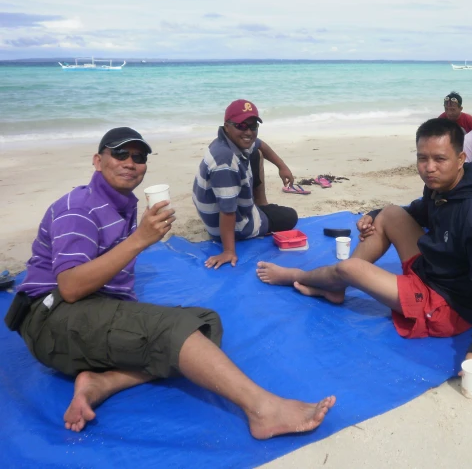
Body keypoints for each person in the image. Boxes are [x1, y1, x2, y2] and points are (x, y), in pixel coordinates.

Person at [9, 127, 334, 437]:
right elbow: (70, 287)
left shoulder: (119, 206)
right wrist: (140, 239)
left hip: (86, 313)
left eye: (139, 157)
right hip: (53, 317)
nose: (130, 162)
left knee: (205, 323)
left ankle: (103, 383)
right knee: (172, 329)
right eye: (120, 153)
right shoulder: (78, 207)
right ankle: (264, 411)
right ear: (98, 161)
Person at [257, 118, 472, 394]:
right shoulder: (442, 187)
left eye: (439, 159)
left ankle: (301, 276)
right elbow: (420, 210)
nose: (429, 168)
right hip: (433, 270)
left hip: (447, 304)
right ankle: (336, 285)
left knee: (351, 268)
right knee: (390, 213)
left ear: (461, 159)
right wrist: (374, 216)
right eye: (422, 158)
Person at [193, 100, 298, 269]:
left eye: (253, 126)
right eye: (241, 126)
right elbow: (227, 212)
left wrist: (282, 167)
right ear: (227, 126)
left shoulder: (226, 142)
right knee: (290, 216)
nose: (248, 131)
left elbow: (260, 144)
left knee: (256, 154)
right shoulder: (225, 162)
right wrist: (228, 251)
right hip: (228, 226)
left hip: (221, 210)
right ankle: (260, 215)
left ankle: (261, 205)